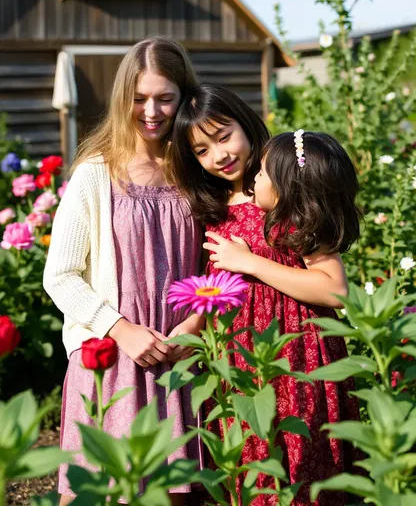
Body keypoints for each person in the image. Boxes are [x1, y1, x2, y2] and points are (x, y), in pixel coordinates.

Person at [169, 83, 361, 506]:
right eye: (201, 150)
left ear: (246, 123)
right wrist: (192, 325)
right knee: (250, 463)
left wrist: (252, 262)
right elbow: (215, 282)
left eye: (223, 137)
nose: (218, 155)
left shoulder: (285, 189)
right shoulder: (213, 209)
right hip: (239, 363)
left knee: (300, 456)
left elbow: (333, 288)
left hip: (296, 355)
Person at [44, 37, 205, 506]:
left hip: (179, 357)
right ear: (122, 99)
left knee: (177, 494)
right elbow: (61, 275)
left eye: (165, 98)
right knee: (99, 493)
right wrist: (121, 329)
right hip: (112, 361)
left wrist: (194, 327)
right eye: (139, 98)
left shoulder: (195, 169)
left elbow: (214, 263)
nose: (151, 110)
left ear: (185, 98)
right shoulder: (97, 172)